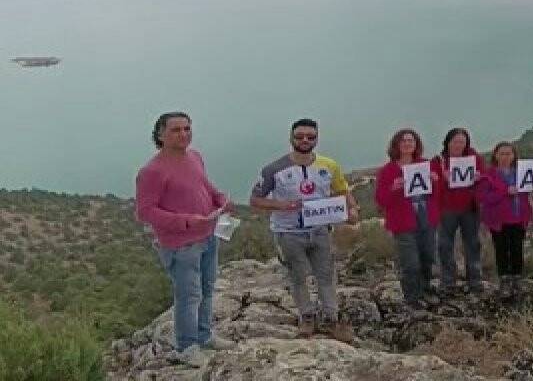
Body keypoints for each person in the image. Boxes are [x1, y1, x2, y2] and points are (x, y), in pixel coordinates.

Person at [135, 112, 235, 365]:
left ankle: (204, 335)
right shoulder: (151, 171)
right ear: (160, 135)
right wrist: (186, 221)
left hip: (208, 235)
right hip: (181, 245)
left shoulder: (195, 157)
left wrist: (220, 198)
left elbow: (203, 186)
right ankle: (186, 347)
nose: (184, 134)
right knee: (189, 296)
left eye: (187, 128)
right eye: (176, 130)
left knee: (207, 289)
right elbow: (145, 211)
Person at [249, 119, 357, 343]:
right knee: (299, 277)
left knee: (326, 276)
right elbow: (255, 200)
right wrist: (282, 206)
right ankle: (306, 318)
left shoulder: (329, 165)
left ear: (317, 138)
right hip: (288, 232)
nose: (305, 140)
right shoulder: (273, 169)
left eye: (310, 136)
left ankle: (331, 319)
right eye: (300, 136)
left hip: (320, 230)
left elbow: (342, 190)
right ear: (291, 138)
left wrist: (352, 208)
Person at [374, 128, 442, 310]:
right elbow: (381, 200)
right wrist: (393, 188)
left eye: (411, 140)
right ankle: (412, 297)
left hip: (426, 217)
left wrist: (435, 181)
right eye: (403, 141)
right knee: (410, 261)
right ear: (396, 144)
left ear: (416, 144)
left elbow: (438, 194)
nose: (407, 143)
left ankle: (426, 289)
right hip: (403, 222)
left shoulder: (425, 164)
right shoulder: (388, 170)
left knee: (428, 257)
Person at [429, 128, 487, 292]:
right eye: (455, 141)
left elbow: (483, 176)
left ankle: (475, 280)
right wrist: (442, 179)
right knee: (445, 245)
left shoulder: (474, 157)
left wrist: (479, 177)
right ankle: (448, 281)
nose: (458, 145)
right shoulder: (438, 161)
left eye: (462, 142)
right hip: (447, 209)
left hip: (469, 208)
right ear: (447, 143)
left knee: (473, 244)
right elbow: (431, 185)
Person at [476, 141, 533, 294]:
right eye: (502, 153)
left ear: (514, 155)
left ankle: (517, 279)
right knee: (501, 250)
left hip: (519, 217)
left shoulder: (523, 172)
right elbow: (483, 197)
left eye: (509, 153)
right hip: (498, 220)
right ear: (496, 155)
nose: (506, 157)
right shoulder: (488, 175)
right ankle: (504, 280)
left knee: (517, 249)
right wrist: (505, 192)